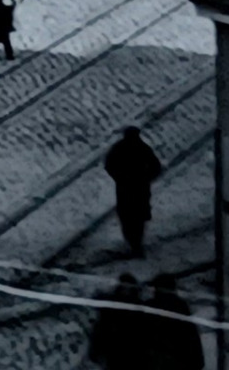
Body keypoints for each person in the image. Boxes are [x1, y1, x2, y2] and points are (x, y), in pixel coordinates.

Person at [105, 126, 163, 256]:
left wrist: (118, 177)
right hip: (139, 188)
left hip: (126, 187)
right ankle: (136, 244)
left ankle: (133, 243)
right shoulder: (143, 148)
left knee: (127, 216)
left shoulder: (119, 148)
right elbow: (156, 167)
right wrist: (146, 178)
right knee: (137, 217)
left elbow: (109, 165)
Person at [145, 273, 205, 370]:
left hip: (162, 360)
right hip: (175, 359)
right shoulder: (180, 306)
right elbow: (191, 335)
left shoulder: (151, 306)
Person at [88, 273, 146, 369]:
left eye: (128, 287)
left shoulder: (139, 306)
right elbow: (101, 328)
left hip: (132, 348)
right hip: (113, 347)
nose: (125, 289)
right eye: (123, 286)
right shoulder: (111, 301)